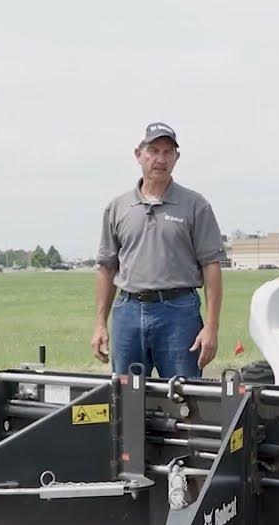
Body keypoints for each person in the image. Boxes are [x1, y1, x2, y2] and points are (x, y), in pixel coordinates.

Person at [91, 122, 224, 378]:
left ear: (176, 157)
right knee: (125, 399)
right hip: (128, 312)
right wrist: (100, 324)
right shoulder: (118, 208)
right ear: (138, 155)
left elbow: (212, 267)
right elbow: (106, 268)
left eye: (167, 152)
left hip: (178, 314)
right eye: (153, 151)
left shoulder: (196, 206)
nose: (160, 159)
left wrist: (211, 327)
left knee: (183, 399)